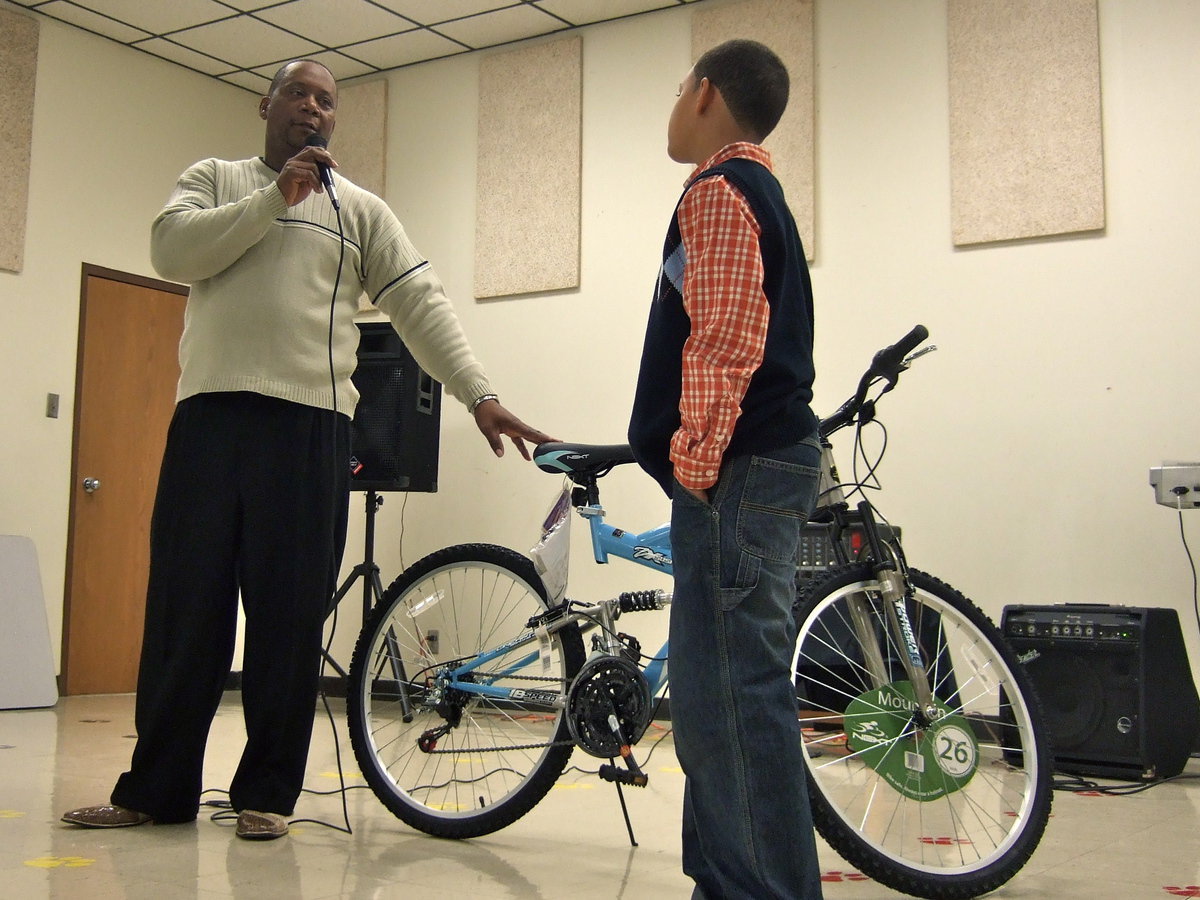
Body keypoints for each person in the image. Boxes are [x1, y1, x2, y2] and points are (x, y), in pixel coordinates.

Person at [62, 59, 552, 841]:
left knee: (288, 619)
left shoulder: (360, 211)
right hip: (210, 421)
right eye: (299, 93)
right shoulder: (218, 179)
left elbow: (420, 303)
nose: (313, 108)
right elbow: (172, 252)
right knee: (185, 613)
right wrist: (272, 199)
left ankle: (266, 795)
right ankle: (155, 789)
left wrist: (479, 395)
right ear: (267, 104)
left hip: (309, 427)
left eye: (327, 101)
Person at [627, 40, 825, 898]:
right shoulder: (763, 193)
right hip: (760, 464)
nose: (676, 102)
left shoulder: (718, 190)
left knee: (733, 697)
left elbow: (727, 335)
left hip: (736, 468)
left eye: (680, 88)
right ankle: (723, 883)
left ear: (705, 94)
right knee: (715, 696)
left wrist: (696, 459)